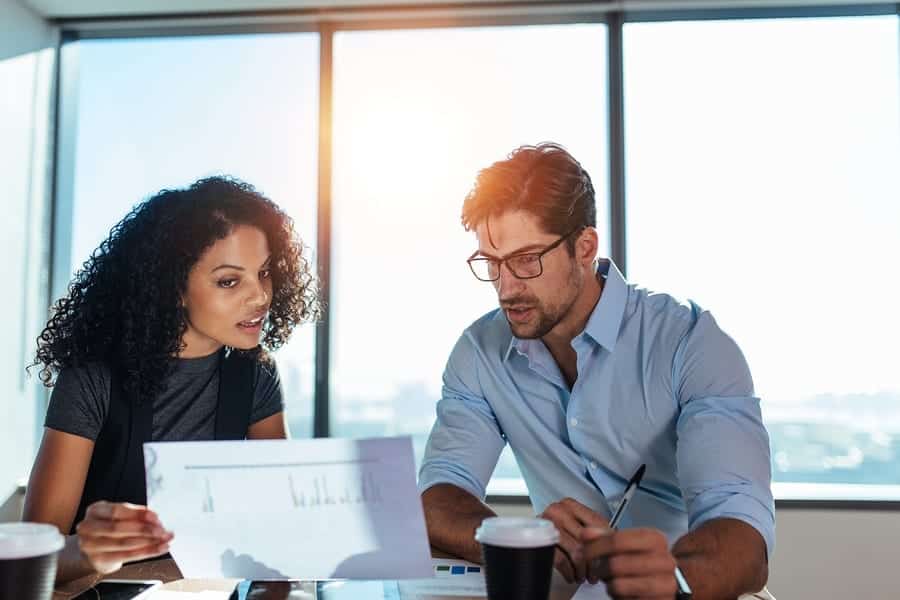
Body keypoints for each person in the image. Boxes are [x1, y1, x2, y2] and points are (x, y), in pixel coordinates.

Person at [419, 144, 774, 600]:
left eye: (527, 260)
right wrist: (522, 541)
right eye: (492, 262)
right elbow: (438, 496)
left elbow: (745, 535)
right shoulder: (479, 352)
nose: (506, 288)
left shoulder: (691, 343)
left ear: (584, 247)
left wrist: (677, 579)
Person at [24, 177, 319, 584]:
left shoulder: (256, 375)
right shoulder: (93, 378)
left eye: (265, 273)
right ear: (174, 287)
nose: (261, 297)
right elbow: (31, 558)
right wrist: (87, 550)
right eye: (229, 281)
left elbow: (279, 524)